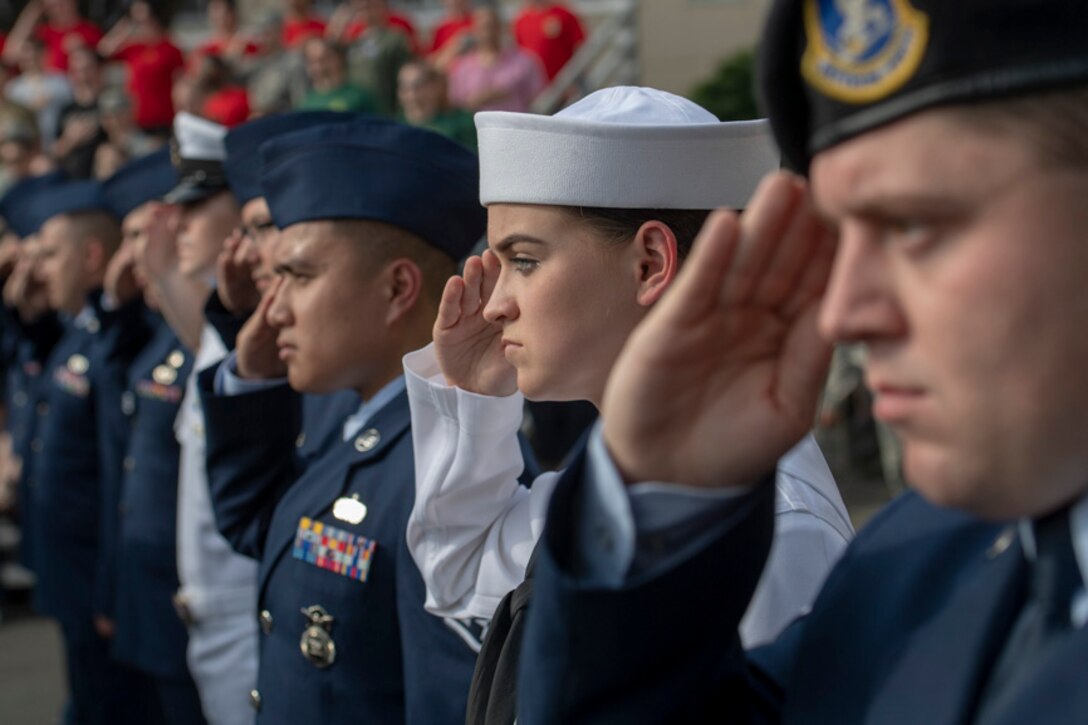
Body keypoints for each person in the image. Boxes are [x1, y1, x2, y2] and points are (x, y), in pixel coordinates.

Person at [514, 1, 1088, 723]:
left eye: (913, 224)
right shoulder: (918, 559)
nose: (845, 311)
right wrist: (665, 494)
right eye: (842, 236)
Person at [403, 87, 852, 723]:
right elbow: (461, 573)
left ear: (649, 263)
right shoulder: (617, 484)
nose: (495, 302)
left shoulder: (774, 526)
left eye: (524, 260)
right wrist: (477, 397)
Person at [197, 118, 487, 723]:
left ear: (396, 289)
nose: (272, 310)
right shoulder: (365, 420)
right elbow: (263, 525)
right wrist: (253, 385)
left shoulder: (454, 476)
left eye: (298, 276)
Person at [26, 178, 158, 724]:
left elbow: (114, 470)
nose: (40, 269)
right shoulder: (79, 331)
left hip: (95, 572)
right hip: (69, 568)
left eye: (51, 254)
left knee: (109, 705)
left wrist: (108, 586)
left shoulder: (113, 339)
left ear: (90, 256)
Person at [98, 148, 209, 725]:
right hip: (148, 589)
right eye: (129, 236)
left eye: (147, 232)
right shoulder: (153, 334)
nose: (137, 252)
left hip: (194, 593)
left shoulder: (201, 336)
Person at [98, 1, 185, 136]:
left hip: (164, 120)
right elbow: (103, 51)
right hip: (136, 122)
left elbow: (180, 84)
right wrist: (125, 26)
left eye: (143, 15)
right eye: (136, 17)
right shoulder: (134, 48)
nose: (140, 21)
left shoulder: (170, 49)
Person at [448, 4, 545, 113]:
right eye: (483, 27)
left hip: (513, 125)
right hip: (475, 127)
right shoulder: (462, 67)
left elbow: (537, 99)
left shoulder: (525, 61)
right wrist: (482, 98)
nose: (488, 32)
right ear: (474, 30)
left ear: (501, 28)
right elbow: (457, 105)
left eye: (492, 26)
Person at [4, 36, 72, 151]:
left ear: (43, 54)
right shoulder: (12, 89)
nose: (29, 59)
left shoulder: (62, 81)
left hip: (60, 145)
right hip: (26, 149)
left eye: (32, 54)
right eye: (24, 56)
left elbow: (73, 110)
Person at [3, 0, 103, 73]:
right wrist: (32, 12)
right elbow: (9, 56)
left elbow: (103, 61)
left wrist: (84, 49)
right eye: (52, 6)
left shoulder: (89, 31)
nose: (58, 10)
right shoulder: (42, 33)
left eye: (62, 4)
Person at [397, 60, 476, 150]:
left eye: (419, 85)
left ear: (436, 86)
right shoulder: (395, 128)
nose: (412, 94)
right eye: (404, 87)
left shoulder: (462, 122)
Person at [298, 38, 379, 113]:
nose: (318, 66)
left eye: (324, 58)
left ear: (339, 59)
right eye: (312, 61)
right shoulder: (306, 102)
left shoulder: (359, 96)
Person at [512, 1, 584, 83]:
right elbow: (520, 55)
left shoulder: (563, 14)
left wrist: (575, 79)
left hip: (564, 85)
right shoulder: (521, 20)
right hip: (536, 88)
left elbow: (580, 48)